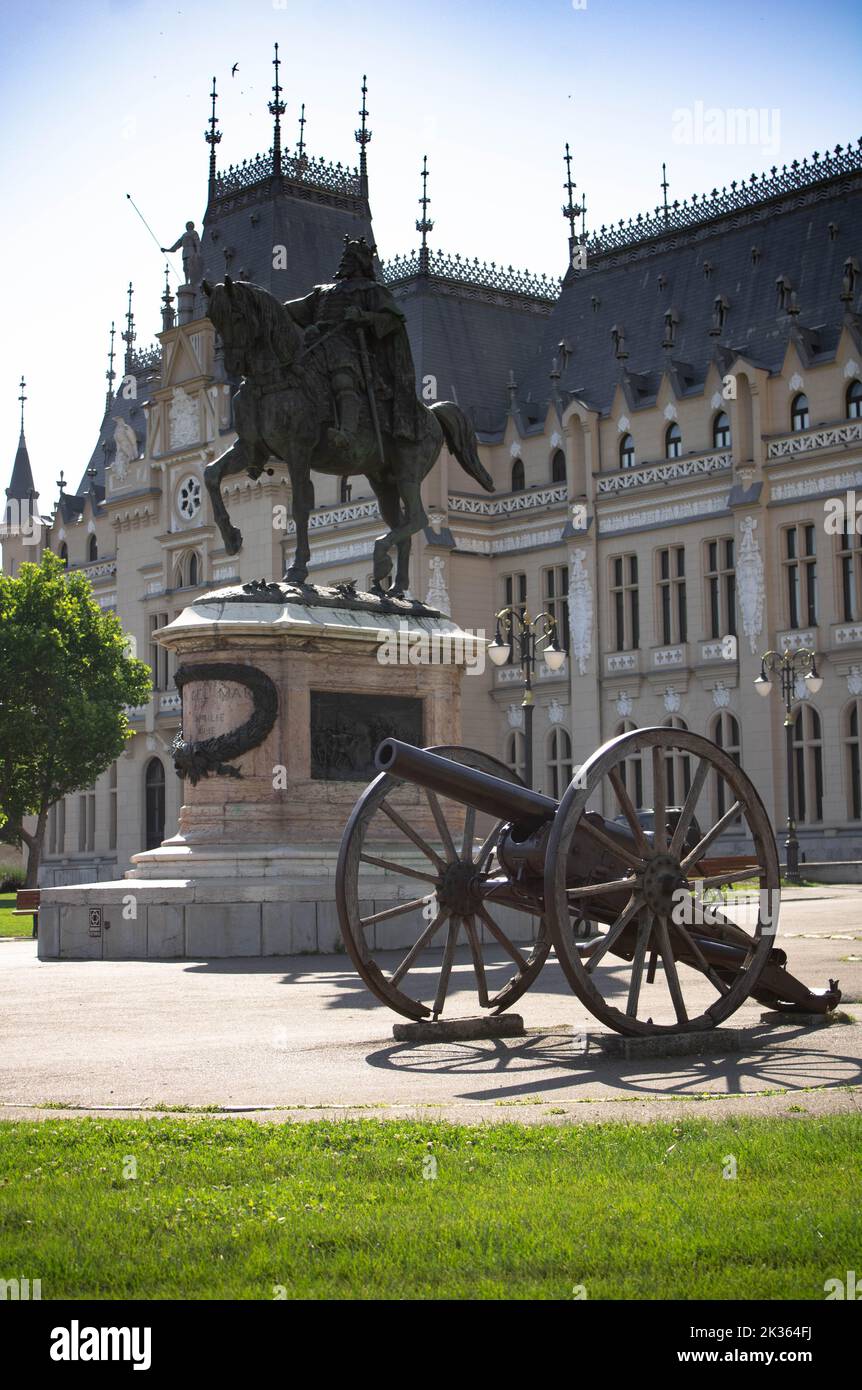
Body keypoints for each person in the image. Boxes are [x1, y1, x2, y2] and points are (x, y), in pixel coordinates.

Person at [283, 236, 422, 449]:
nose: (345, 261)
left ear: (361, 263)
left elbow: (393, 320)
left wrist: (363, 317)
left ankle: (346, 432)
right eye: (345, 257)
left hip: (350, 350)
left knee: (342, 380)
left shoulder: (373, 291)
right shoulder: (324, 291)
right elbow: (292, 310)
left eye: (350, 257)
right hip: (317, 348)